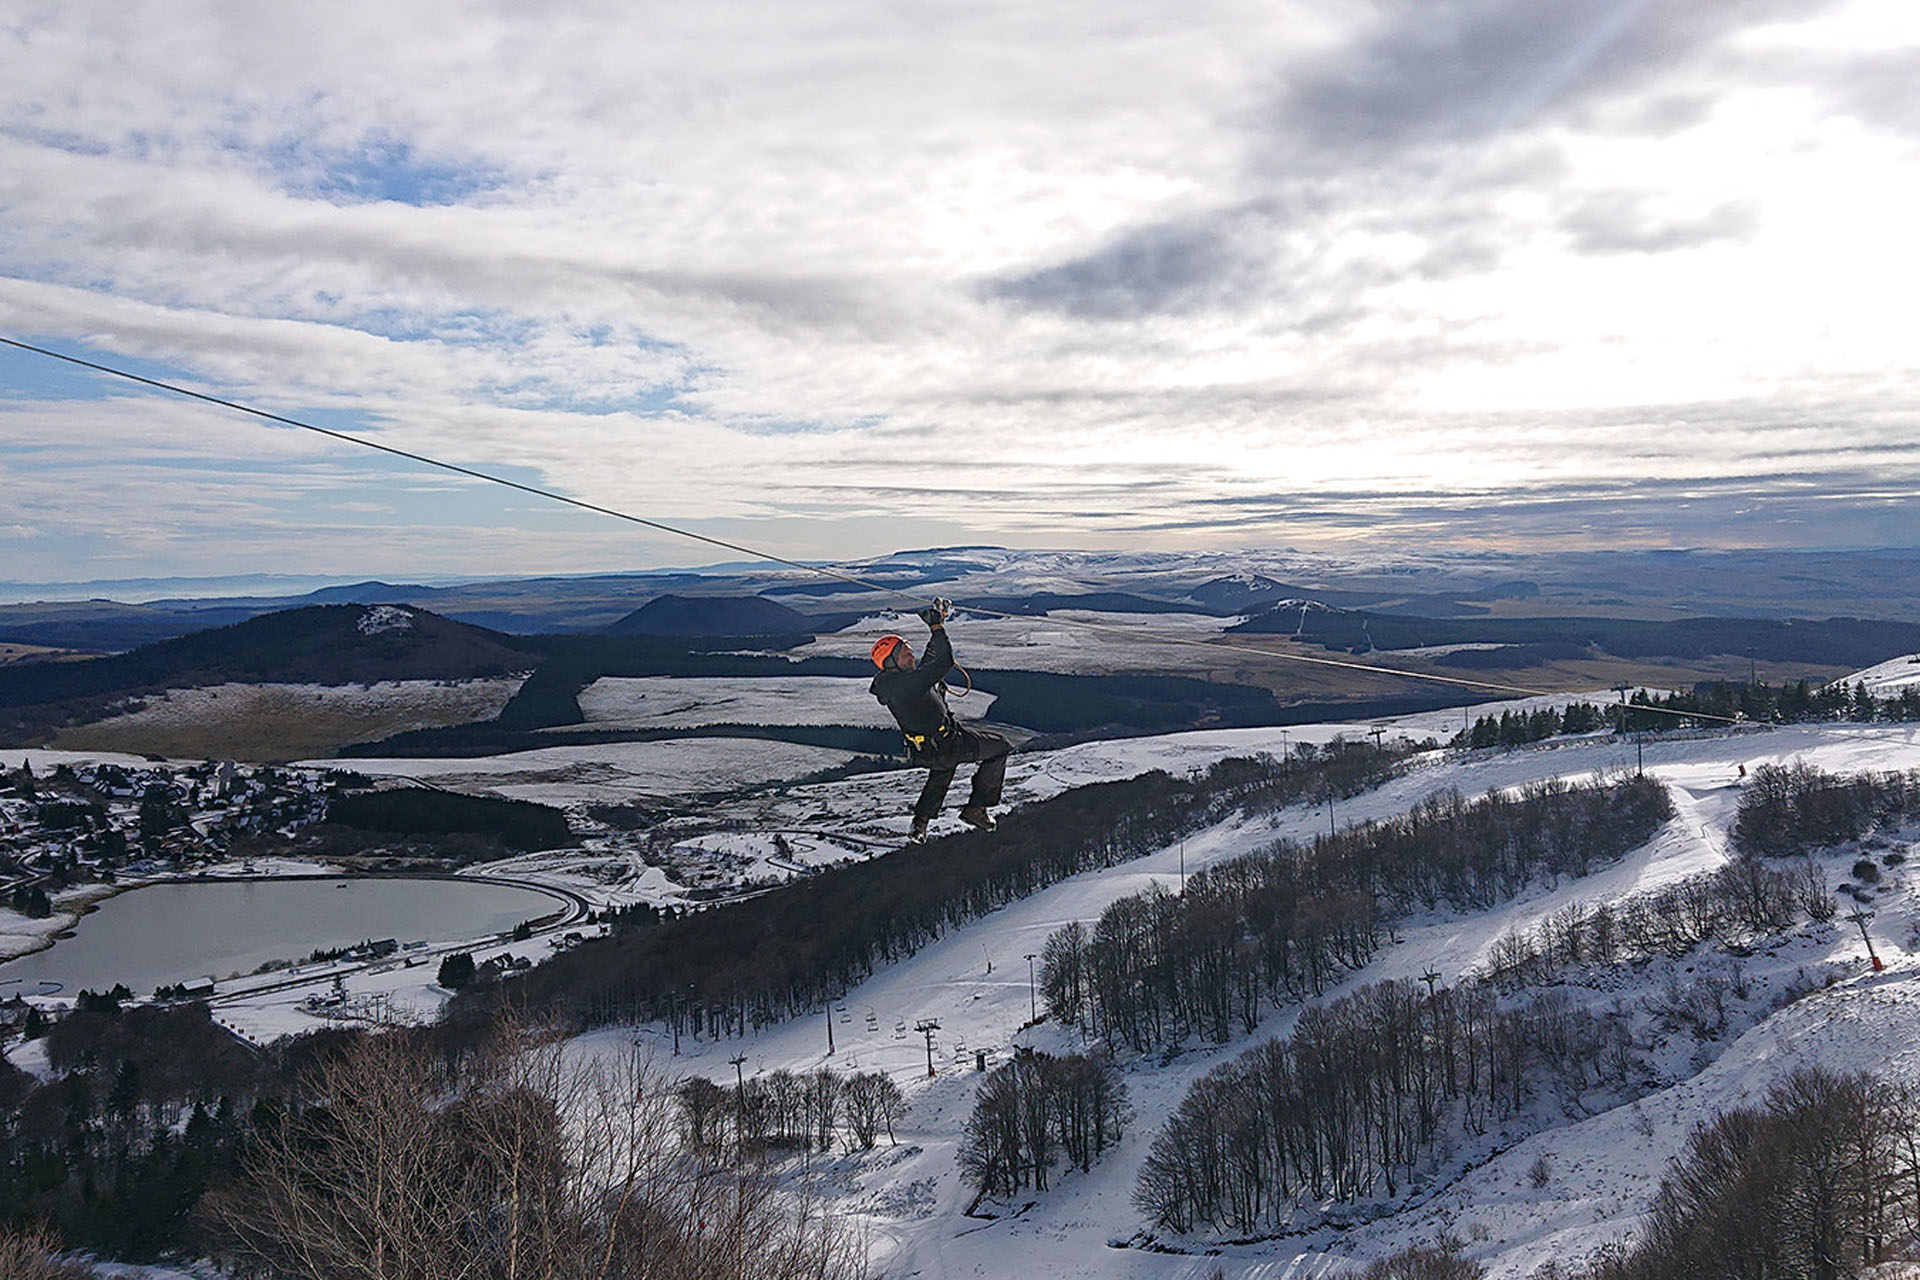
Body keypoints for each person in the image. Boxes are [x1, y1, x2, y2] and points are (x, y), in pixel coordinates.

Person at [869, 601, 1011, 843]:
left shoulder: (897, 684)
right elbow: (942, 662)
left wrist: (939, 623)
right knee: (1000, 748)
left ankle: (920, 824)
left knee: (943, 769)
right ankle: (977, 808)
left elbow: (928, 662)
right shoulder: (908, 684)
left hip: (927, 749)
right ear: (892, 661)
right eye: (905, 652)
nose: (910, 654)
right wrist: (936, 627)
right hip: (949, 743)